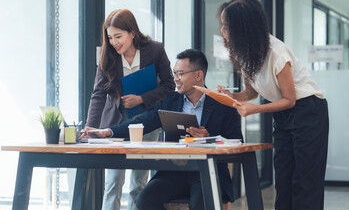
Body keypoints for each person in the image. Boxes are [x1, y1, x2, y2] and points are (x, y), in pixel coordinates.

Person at [82, 49, 243, 210]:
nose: (175, 79)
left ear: (198, 75)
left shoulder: (223, 104)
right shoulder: (170, 101)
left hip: (207, 173)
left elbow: (238, 142)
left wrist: (210, 138)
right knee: (144, 200)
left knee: (200, 203)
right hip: (175, 172)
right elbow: (143, 122)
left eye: (180, 74)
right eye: (174, 73)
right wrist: (108, 131)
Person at [217, 0, 329, 210]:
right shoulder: (243, 53)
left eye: (226, 26)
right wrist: (231, 96)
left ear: (242, 27)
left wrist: (256, 110)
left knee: (305, 180)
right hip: (284, 113)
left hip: (308, 110)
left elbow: (290, 99)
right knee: (284, 178)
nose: (223, 31)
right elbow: (250, 93)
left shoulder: (277, 52)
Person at [85, 9, 175, 210]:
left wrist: (141, 98)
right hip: (115, 121)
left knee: (139, 180)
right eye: (110, 37)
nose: (114, 42)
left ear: (132, 33)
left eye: (119, 36)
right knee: (113, 181)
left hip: (146, 120)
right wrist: (90, 126)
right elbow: (98, 93)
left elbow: (169, 85)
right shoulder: (106, 55)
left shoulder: (155, 50)